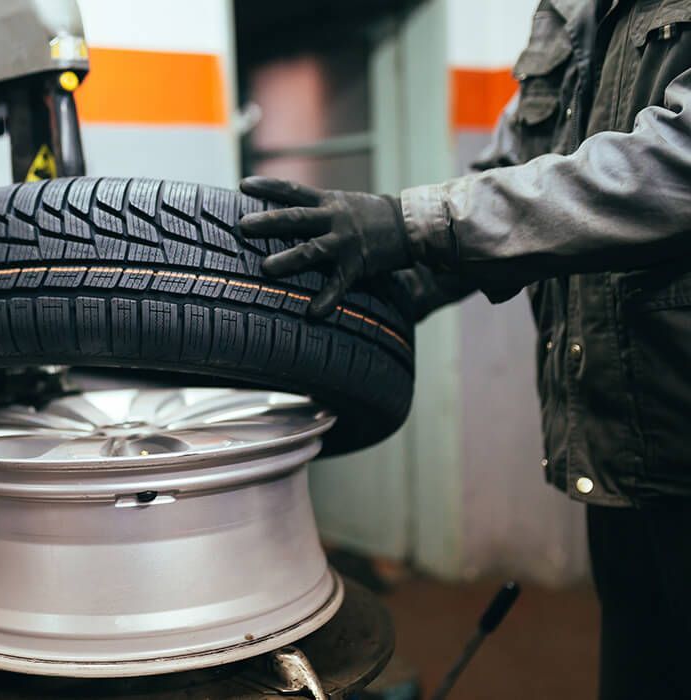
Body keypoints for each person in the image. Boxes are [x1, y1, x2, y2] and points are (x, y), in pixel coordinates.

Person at [238, 1, 691, 698]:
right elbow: (516, 167)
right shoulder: (569, 11)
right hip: (620, 442)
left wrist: (408, 223)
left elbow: (675, 167)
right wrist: (383, 287)